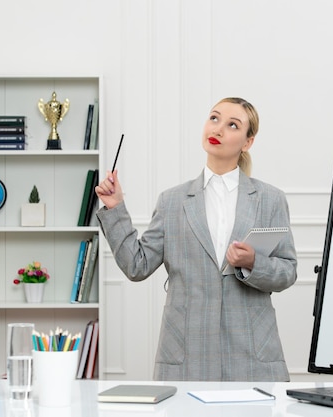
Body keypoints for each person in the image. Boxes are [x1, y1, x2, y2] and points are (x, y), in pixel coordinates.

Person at [95, 97, 297, 381]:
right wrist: (115, 208)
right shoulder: (172, 201)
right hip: (187, 354)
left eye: (232, 125)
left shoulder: (270, 199)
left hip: (252, 357)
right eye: (214, 118)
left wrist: (253, 262)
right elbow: (136, 266)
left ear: (247, 142)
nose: (218, 129)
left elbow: (287, 271)